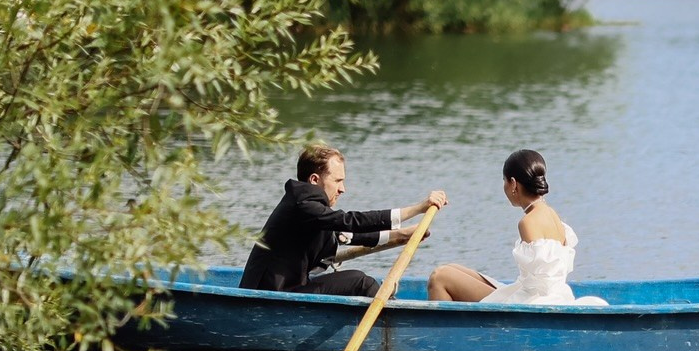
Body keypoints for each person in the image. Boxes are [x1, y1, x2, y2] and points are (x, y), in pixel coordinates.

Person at [240, 144, 445, 296]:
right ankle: (395, 324)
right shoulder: (304, 205)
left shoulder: (307, 207)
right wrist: (417, 208)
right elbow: (350, 222)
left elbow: (345, 234)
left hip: (284, 290)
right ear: (314, 180)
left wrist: (400, 234)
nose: (342, 189)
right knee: (360, 282)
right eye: (337, 181)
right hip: (271, 296)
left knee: (357, 280)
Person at [426, 149, 607, 307]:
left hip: (532, 301)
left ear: (513, 183)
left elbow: (537, 284)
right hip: (551, 293)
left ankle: (444, 335)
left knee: (439, 277)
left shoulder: (527, 222)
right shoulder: (552, 215)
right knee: (451, 268)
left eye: (504, 181)